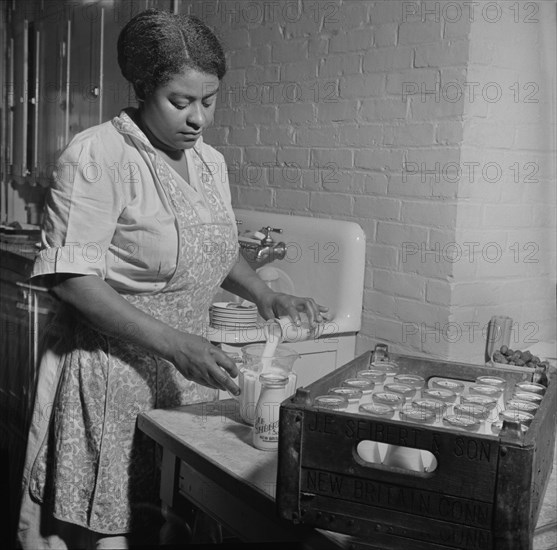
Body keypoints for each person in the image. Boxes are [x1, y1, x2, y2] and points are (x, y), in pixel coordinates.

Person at [17, 9, 328, 549]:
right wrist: (174, 344)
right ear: (141, 88)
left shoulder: (209, 162)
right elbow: (71, 279)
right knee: (110, 527)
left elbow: (215, 246)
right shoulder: (100, 155)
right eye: (180, 102)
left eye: (208, 101)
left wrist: (264, 293)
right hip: (110, 374)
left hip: (183, 372)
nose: (198, 119)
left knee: (174, 519)